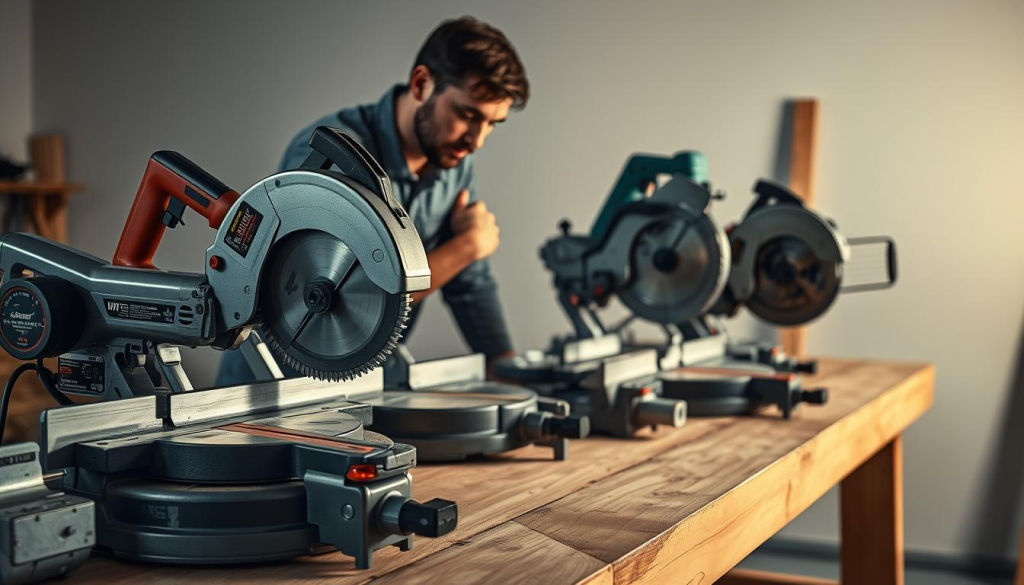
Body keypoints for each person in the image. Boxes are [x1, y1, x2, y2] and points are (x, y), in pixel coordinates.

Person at [215, 16, 528, 385]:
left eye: (493, 123)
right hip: (270, 389)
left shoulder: (454, 162)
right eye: (468, 115)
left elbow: (468, 282)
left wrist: (504, 363)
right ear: (422, 84)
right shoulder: (333, 154)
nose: (476, 140)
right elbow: (345, 292)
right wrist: (468, 246)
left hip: (359, 391)